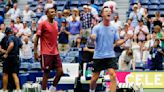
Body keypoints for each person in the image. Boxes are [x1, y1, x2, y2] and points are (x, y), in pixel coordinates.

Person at [89, 7, 132, 92]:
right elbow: (93, 37)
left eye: (109, 11)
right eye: (106, 11)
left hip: (110, 55)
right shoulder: (96, 28)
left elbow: (117, 42)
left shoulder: (114, 28)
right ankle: (91, 90)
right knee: (94, 78)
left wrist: (125, 39)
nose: (109, 12)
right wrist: (93, 37)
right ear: (102, 14)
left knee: (112, 75)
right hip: (98, 56)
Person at [34, 7, 63, 92]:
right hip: (46, 53)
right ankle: (43, 90)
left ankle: (52, 89)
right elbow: (37, 38)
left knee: (60, 72)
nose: (53, 13)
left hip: (55, 52)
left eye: (54, 12)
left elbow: (54, 38)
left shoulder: (56, 23)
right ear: (47, 14)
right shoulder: (42, 24)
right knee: (46, 74)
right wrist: (35, 52)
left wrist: (57, 49)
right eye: (51, 12)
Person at [0, 27, 22, 92]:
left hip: (9, 58)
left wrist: (6, 53)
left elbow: (11, 45)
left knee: (5, 73)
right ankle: (18, 90)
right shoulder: (17, 38)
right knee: (14, 74)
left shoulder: (9, 37)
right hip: (16, 57)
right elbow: (21, 46)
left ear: (6, 33)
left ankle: (4, 90)